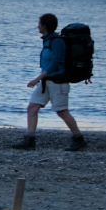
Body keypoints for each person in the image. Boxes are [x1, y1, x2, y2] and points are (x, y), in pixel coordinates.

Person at [12, 13, 84, 151]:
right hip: (47, 81)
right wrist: (41, 78)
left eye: (39, 23)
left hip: (58, 82)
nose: (37, 26)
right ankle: (30, 140)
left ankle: (79, 139)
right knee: (32, 108)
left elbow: (55, 64)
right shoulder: (47, 40)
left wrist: (37, 79)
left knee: (62, 111)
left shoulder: (56, 41)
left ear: (44, 26)